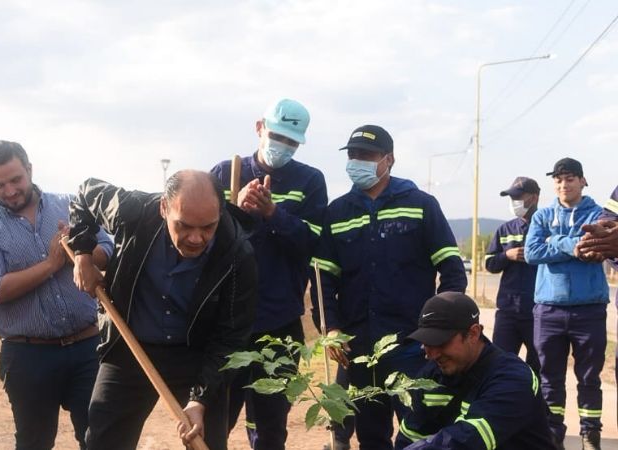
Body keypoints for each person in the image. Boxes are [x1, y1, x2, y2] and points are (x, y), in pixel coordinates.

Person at [68, 170, 257, 450]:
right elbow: (84, 194)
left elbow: (231, 338)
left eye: (207, 227)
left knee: (208, 443)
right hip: (130, 348)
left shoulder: (237, 253)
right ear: (163, 208)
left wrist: (199, 399)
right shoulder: (133, 210)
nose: (196, 238)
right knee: (102, 443)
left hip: (196, 355)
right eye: (184, 226)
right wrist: (82, 253)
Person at [311, 124, 467, 450]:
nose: (358, 161)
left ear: (389, 160)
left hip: (413, 347)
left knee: (424, 432)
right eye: (353, 155)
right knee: (371, 435)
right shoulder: (336, 213)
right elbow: (324, 278)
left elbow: (452, 271)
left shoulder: (421, 205)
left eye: (367, 155)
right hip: (361, 349)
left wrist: (440, 330)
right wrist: (331, 327)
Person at [0, 141, 113, 450]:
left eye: (16, 180)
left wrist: (84, 255)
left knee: (99, 439)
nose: (10, 190)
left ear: (30, 170)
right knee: (34, 443)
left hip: (87, 347)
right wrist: (51, 264)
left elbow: (109, 246)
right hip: (27, 356)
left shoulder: (70, 205)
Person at [210, 98, 327, 449]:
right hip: (226, 321)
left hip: (279, 323)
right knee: (216, 416)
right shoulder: (222, 174)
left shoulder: (310, 181)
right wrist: (234, 210)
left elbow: (313, 243)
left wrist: (273, 213)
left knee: (271, 424)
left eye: (291, 142)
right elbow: (200, 239)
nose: (283, 147)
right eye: (278, 136)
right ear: (260, 127)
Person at [394, 292, 555, 449]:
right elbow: (409, 437)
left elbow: (468, 440)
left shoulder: (513, 378)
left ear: (473, 333)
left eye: (440, 342)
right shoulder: (430, 377)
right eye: (427, 343)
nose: (432, 354)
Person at [525, 157, 609, 450]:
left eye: (570, 178)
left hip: (590, 309)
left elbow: (595, 246)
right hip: (548, 309)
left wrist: (554, 241)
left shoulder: (599, 213)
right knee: (550, 377)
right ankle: (552, 434)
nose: (564, 184)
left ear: (583, 181)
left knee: (589, 377)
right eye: (558, 179)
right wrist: (569, 245)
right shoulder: (542, 215)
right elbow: (532, 252)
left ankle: (590, 434)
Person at [484, 176, 541, 373]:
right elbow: (489, 264)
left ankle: (533, 404)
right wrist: (506, 255)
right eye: (511, 197)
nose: (514, 202)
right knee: (500, 366)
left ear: (533, 198)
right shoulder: (505, 229)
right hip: (508, 311)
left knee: (538, 368)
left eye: (518, 197)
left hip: (537, 311)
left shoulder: (546, 225)